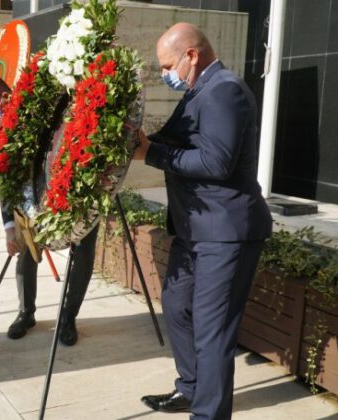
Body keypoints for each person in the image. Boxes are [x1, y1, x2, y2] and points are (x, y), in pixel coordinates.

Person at [133, 23, 273, 419]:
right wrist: (136, 140)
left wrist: (152, 154)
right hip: (195, 230)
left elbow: (215, 162)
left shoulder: (224, 90)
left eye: (167, 66)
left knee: (213, 334)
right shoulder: (199, 90)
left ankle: (208, 413)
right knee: (177, 306)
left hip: (225, 232)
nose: (165, 74)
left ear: (191, 55)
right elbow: (176, 141)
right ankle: (192, 389)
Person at [0, 76, 98, 346]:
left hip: (76, 191)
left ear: (5, 97)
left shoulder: (46, 104)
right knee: (26, 253)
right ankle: (25, 313)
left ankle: (68, 317)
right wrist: (9, 228)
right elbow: (5, 181)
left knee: (83, 253)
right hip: (31, 202)